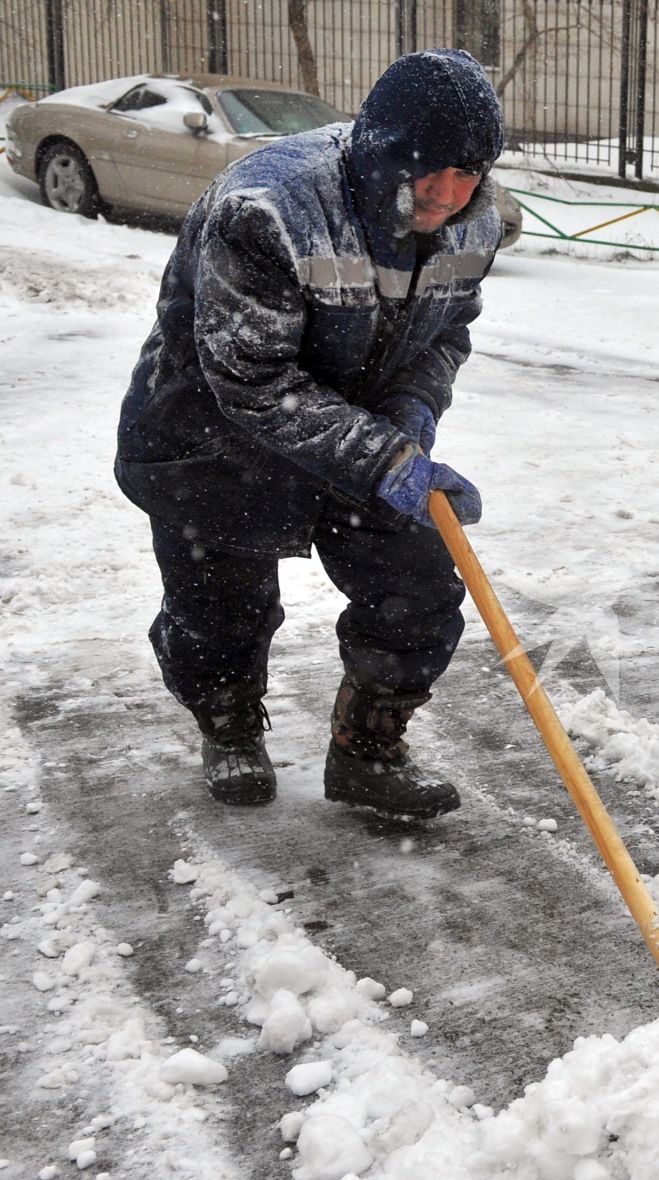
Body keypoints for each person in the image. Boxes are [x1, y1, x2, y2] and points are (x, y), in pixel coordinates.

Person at [115, 48, 505, 819]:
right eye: (431, 171)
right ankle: (227, 723)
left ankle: (367, 750)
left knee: (418, 586)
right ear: (381, 152)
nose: (450, 195)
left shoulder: (472, 218)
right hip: (212, 437)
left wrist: (413, 412)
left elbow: (445, 333)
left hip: (348, 430)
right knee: (220, 605)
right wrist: (382, 454)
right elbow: (251, 381)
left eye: (471, 173)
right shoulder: (268, 209)